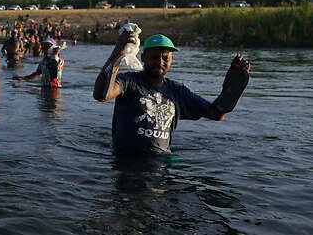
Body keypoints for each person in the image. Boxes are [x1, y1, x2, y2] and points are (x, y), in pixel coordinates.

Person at [93, 32, 251, 156]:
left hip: (160, 161)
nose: (160, 62)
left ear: (171, 60)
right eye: (154, 57)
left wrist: (231, 87)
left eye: (165, 57)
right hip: (124, 160)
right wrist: (119, 51)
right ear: (143, 58)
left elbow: (216, 113)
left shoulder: (177, 91)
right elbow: (101, 94)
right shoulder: (129, 81)